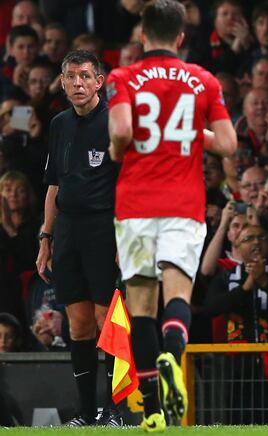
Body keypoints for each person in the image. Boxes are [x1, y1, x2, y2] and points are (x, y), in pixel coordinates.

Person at [106, 0, 237, 431]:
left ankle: (154, 412)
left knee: (141, 306)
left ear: (142, 34)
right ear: (181, 37)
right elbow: (228, 143)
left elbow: (122, 131)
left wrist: (116, 150)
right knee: (177, 294)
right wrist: (185, 131)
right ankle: (172, 352)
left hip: (135, 206)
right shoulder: (202, 79)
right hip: (182, 204)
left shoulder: (123, 77)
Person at [35, 50, 121, 427]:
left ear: (99, 81)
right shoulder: (58, 124)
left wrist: (123, 237)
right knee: (79, 323)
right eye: (71, 77)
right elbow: (53, 183)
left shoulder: (116, 121)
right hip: (67, 229)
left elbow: (128, 185)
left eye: (86, 76)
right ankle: (87, 413)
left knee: (107, 320)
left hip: (104, 228)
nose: (78, 84)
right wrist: (45, 237)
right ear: (63, 82)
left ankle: (115, 412)